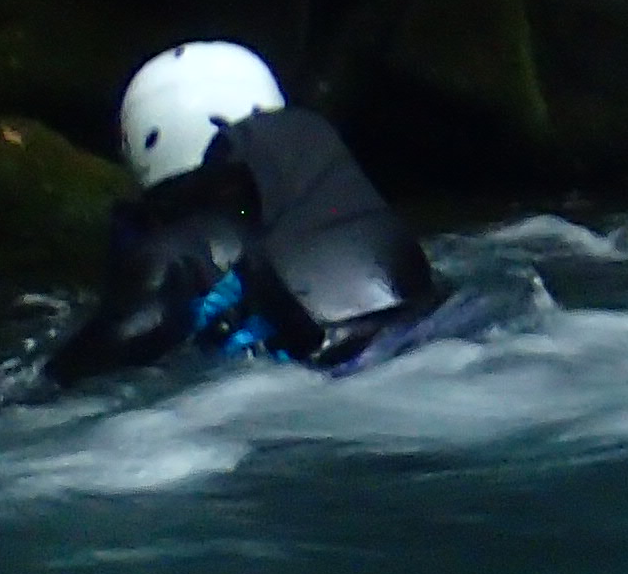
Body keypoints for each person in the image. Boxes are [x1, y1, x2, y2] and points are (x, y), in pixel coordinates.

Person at [44, 40, 459, 381]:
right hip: (437, 344)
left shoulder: (187, 247)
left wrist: (43, 384)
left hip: (330, 385)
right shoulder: (324, 195)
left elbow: (120, 340)